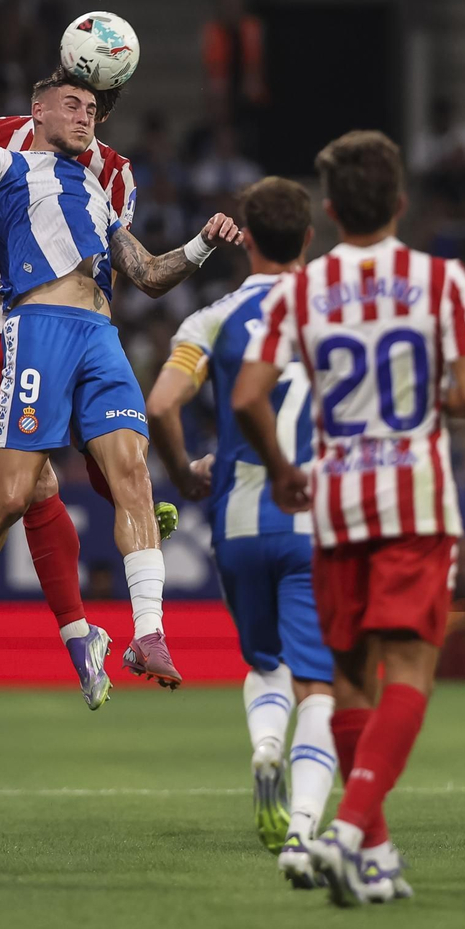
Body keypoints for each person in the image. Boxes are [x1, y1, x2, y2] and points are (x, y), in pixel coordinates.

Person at [0, 36, 242, 699]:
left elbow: (148, 275)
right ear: (40, 111)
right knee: (12, 496)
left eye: (92, 108)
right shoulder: (5, 163)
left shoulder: (100, 189)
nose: (85, 115)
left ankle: (148, 633)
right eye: (72, 105)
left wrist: (203, 243)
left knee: (133, 471)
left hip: (100, 336)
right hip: (37, 331)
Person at [233, 130, 465, 906]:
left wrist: (283, 470)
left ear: (333, 212)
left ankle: (375, 859)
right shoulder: (443, 281)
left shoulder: (302, 290)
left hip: (335, 504)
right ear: (401, 203)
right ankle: (349, 837)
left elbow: (248, 396)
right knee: (408, 673)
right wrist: (414, 400)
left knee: (348, 680)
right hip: (415, 502)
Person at [145, 176, 339, 863]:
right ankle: (303, 830)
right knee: (320, 684)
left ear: (246, 240)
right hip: (315, 521)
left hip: (238, 521)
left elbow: (161, 405)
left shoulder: (212, 320)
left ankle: (265, 747)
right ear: (308, 238)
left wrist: (181, 473)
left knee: (264, 662)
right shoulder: (336, 313)